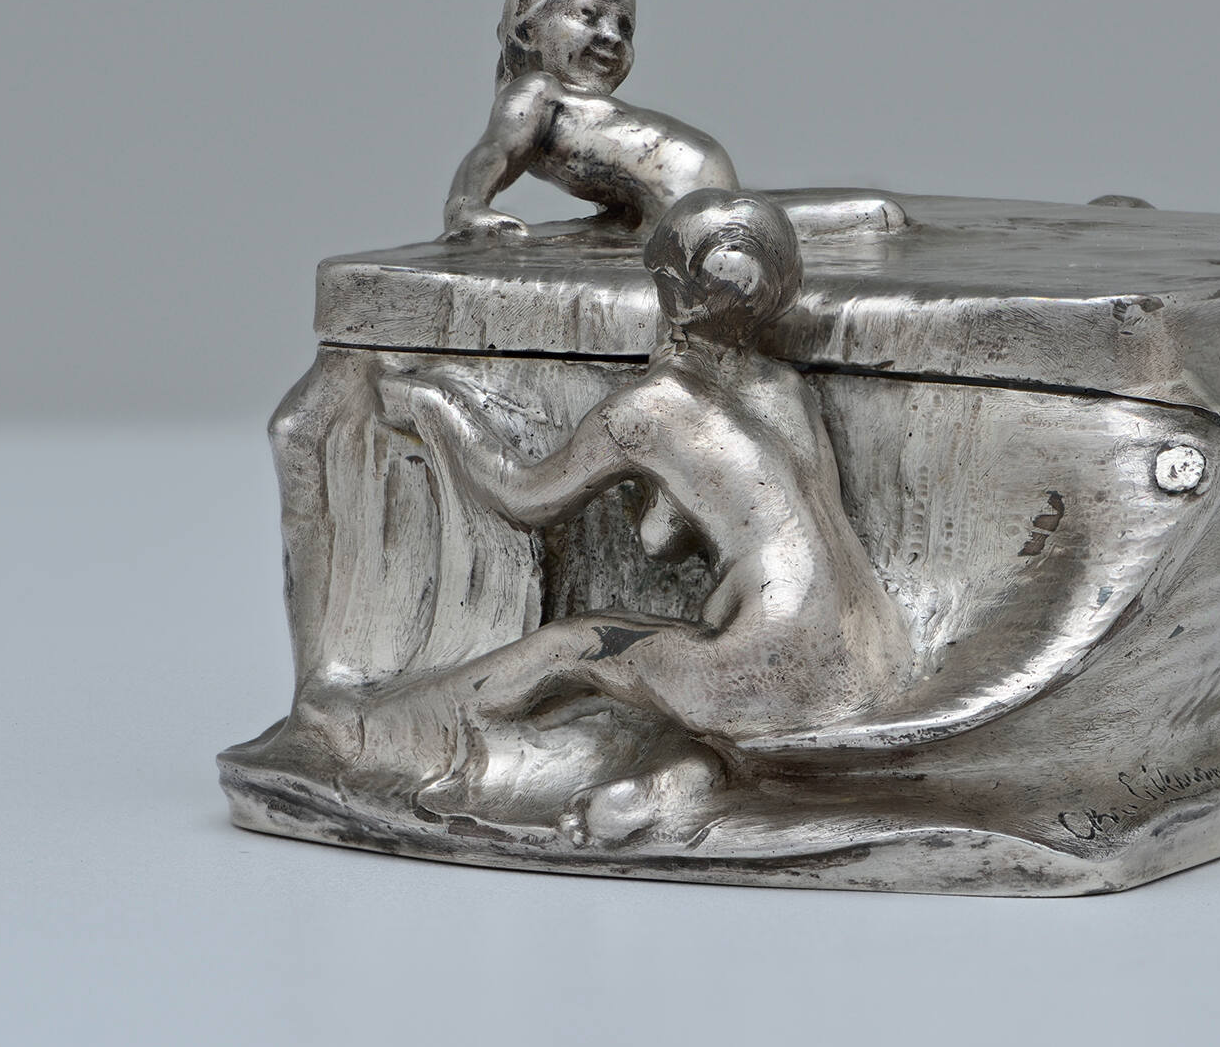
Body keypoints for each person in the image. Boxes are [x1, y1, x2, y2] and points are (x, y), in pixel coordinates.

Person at [379, 189, 915, 842]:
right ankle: (675, 784)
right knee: (717, 717)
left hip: (767, 659)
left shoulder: (646, 409)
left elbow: (525, 499)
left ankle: (406, 734)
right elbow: (688, 529)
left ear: (669, 288)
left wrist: (435, 411)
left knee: (577, 646)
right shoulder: (788, 389)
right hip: (872, 657)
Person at [441, 0, 905, 240]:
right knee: (762, 222)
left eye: (625, 27)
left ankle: (867, 216)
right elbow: (497, 151)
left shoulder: (561, 99)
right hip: (688, 191)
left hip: (686, 189)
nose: (612, 36)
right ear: (526, 28)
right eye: (589, 15)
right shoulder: (535, 91)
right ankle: (868, 216)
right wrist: (467, 208)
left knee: (746, 225)